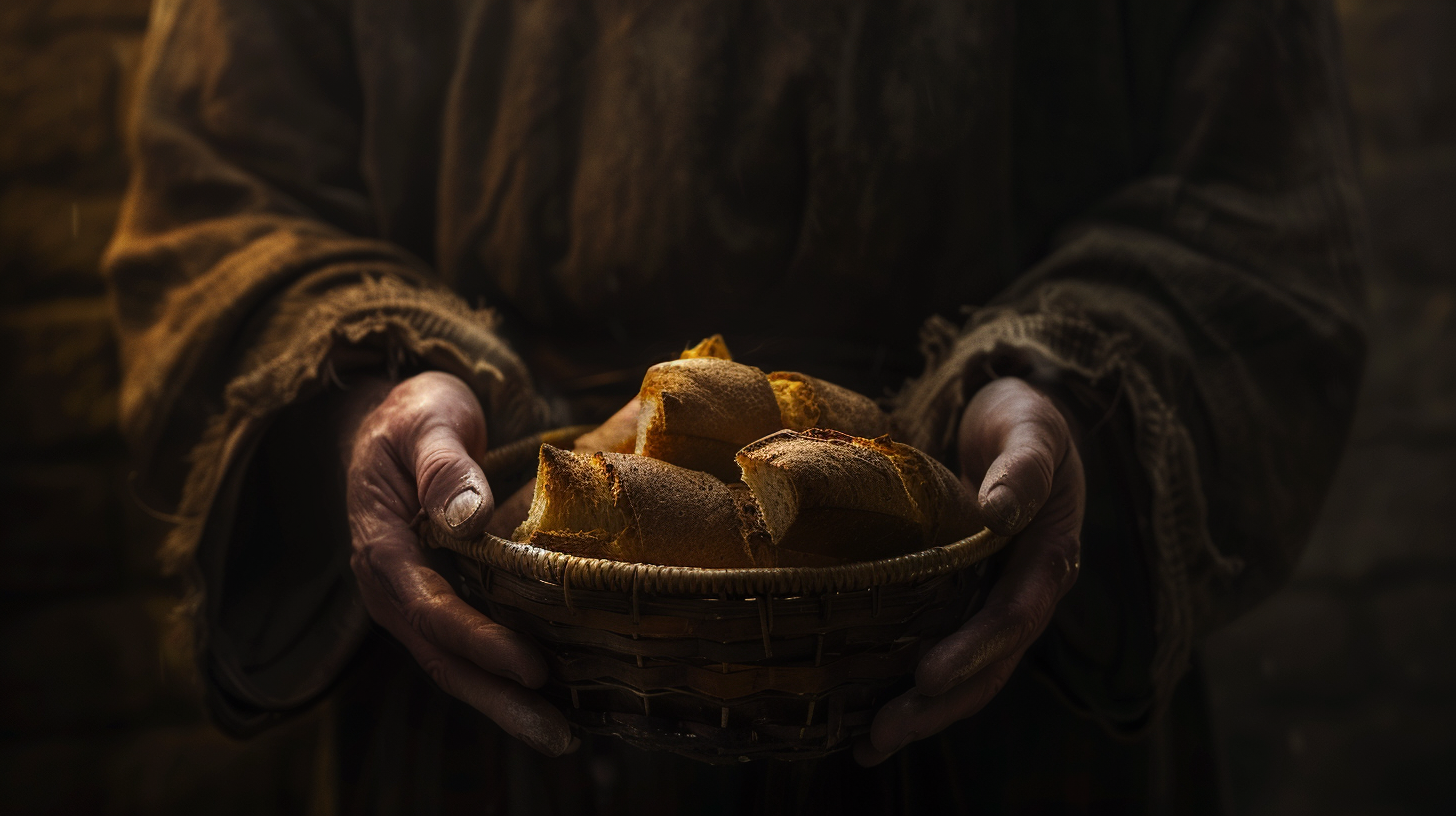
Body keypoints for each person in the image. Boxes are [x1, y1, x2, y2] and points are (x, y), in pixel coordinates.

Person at [104, 0, 1367, 813]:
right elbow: (217, 188)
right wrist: (368, 405)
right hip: (504, 661)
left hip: (984, 691)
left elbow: (1260, 212)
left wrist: (1061, 397)